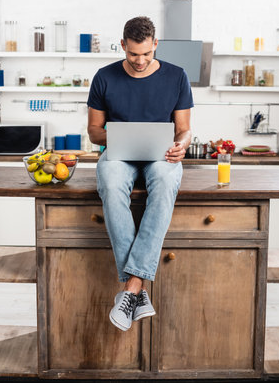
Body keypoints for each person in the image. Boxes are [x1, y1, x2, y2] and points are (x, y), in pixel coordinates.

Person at [87, 16, 193, 331]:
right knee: (110, 180)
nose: (140, 61)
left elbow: (184, 129)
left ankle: (131, 287)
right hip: (118, 152)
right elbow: (94, 131)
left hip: (161, 153)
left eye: (146, 53)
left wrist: (181, 145)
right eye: (134, 54)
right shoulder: (104, 77)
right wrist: (118, 135)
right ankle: (140, 289)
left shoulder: (177, 76)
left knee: (164, 180)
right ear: (123, 46)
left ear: (155, 45)